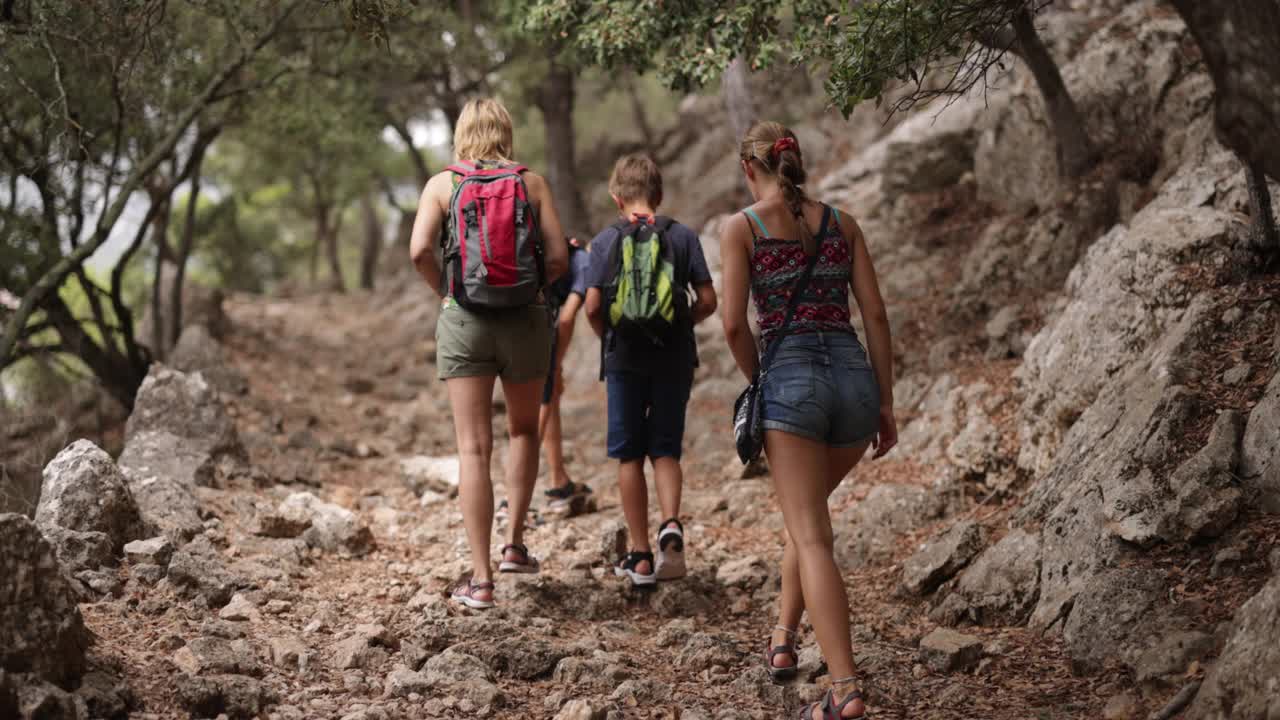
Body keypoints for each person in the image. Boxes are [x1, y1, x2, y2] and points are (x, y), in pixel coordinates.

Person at [718, 122, 897, 720]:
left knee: (812, 535)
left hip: (792, 380)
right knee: (808, 518)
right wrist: (886, 401)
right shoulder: (844, 224)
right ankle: (784, 637)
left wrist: (759, 379)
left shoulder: (742, 227)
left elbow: (734, 326)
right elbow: (873, 312)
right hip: (853, 381)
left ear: (751, 169)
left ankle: (844, 687)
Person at [408, 98, 568, 610]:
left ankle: (480, 581)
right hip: (525, 319)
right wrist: (534, 290)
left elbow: (418, 251)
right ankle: (514, 546)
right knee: (523, 430)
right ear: (505, 130)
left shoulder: (441, 184)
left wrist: (448, 293)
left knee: (473, 449)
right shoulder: (531, 182)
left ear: (460, 133)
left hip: (465, 322)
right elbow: (561, 255)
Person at [584, 154, 717, 587]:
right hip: (674, 356)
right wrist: (681, 324)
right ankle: (671, 524)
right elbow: (709, 299)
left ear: (615, 196)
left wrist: (608, 334)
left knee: (628, 454)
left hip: (623, 358)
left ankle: (640, 557)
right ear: (659, 195)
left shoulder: (605, 242)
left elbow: (591, 305)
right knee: (664, 448)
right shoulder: (681, 237)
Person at [538, 233, 594, 513]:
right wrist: (556, 363)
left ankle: (558, 476)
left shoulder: (553, 250)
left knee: (549, 398)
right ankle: (517, 498)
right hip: (540, 324)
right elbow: (568, 316)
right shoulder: (585, 262)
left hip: (516, 320)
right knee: (543, 405)